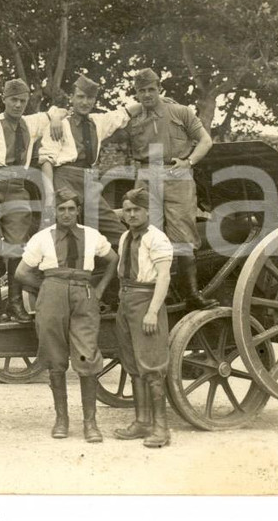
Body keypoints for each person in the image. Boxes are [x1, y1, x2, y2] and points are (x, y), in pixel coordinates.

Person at [0, 78, 66, 324]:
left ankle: (15, 303)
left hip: (17, 187)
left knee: (18, 244)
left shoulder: (32, 122)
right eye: (13, 100)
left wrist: (57, 119)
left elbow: (58, 110)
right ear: (4, 100)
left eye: (22, 101)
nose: (18, 105)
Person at [15, 188, 119, 443]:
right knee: (55, 356)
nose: (67, 214)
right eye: (61, 209)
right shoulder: (42, 238)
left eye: (71, 209)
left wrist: (100, 289)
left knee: (87, 354)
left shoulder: (92, 235)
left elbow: (114, 259)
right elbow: (21, 272)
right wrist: (46, 288)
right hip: (52, 294)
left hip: (84, 295)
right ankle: (61, 419)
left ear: (78, 210)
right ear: (55, 212)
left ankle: (90, 423)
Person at [127, 67, 216, 311]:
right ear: (136, 93)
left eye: (151, 89)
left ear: (160, 89)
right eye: (142, 91)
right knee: (146, 234)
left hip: (176, 176)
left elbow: (206, 141)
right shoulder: (132, 116)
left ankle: (191, 295)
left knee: (183, 235)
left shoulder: (180, 112)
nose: (147, 94)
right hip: (146, 175)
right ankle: (151, 295)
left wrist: (189, 162)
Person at [38, 74, 143, 247]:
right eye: (80, 97)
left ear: (94, 100)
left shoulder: (98, 122)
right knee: (67, 236)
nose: (85, 102)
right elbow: (46, 160)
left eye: (89, 98)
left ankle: (127, 260)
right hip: (65, 180)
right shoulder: (60, 124)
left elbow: (126, 113)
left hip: (89, 180)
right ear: (71, 98)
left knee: (118, 231)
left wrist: (158, 101)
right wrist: (50, 196)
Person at [112, 187, 173, 448]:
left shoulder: (157, 238)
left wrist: (152, 311)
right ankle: (142, 422)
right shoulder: (125, 237)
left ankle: (161, 428)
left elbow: (164, 277)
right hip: (126, 301)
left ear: (147, 211)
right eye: (127, 210)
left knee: (151, 366)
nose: (132, 214)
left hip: (147, 300)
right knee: (133, 365)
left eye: (137, 209)